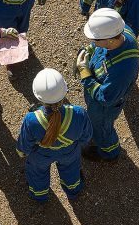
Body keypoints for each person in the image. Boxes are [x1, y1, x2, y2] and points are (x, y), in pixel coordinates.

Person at [16, 68, 93, 202]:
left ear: (37, 96)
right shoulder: (79, 113)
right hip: (70, 152)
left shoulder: (32, 120)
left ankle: (39, 196)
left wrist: (22, 153)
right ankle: (74, 191)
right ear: (64, 92)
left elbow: (24, 146)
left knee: (37, 174)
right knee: (71, 171)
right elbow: (86, 137)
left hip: (41, 155)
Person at [76, 8, 139, 162]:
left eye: (95, 40)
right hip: (98, 95)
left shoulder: (123, 69)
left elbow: (106, 97)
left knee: (102, 129)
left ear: (109, 40)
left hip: (104, 108)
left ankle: (109, 153)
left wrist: (85, 74)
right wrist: (89, 50)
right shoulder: (121, 30)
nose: (93, 42)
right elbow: (98, 47)